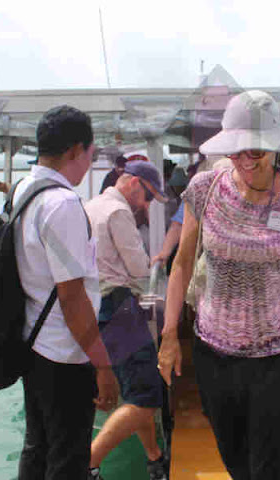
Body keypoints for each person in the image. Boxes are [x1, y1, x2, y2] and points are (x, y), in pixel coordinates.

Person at [157, 90, 280, 480]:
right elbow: (181, 264)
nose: (245, 160)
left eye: (256, 151)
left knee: (272, 471)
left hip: (279, 358)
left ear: (275, 149)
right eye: (236, 151)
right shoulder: (204, 187)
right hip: (215, 355)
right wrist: (168, 336)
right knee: (236, 463)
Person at [13, 105, 119, 479]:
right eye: (91, 152)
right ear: (76, 150)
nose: (91, 161)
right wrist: (104, 365)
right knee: (68, 458)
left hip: (33, 341)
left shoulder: (26, 189)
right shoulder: (62, 204)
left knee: (38, 446)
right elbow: (72, 297)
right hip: (64, 352)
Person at [85, 160, 169, 480]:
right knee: (148, 396)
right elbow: (139, 268)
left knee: (136, 393)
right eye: (148, 197)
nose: (147, 204)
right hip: (119, 306)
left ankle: (155, 458)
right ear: (133, 182)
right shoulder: (118, 213)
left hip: (94, 307)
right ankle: (88, 462)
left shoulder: (90, 206)